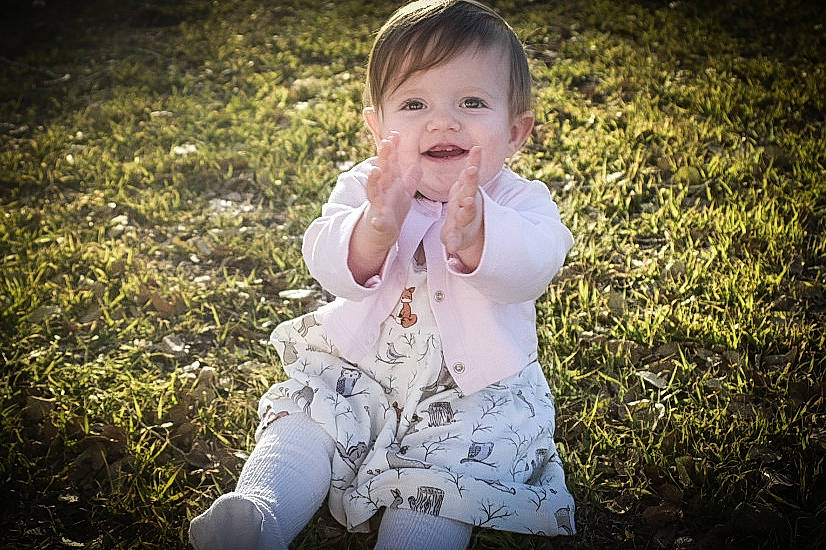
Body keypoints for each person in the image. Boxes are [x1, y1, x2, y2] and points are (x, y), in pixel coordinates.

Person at [189, 1, 576, 548]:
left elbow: (534, 269)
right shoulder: (369, 188)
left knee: (445, 482)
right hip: (358, 371)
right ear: (378, 127)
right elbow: (326, 260)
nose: (443, 121)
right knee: (308, 422)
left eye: (472, 101)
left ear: (515, 132)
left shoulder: (519, 203)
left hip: (469, 398)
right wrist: (375, 228)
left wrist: (480, 235)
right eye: (415, 103)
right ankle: (258, 519)